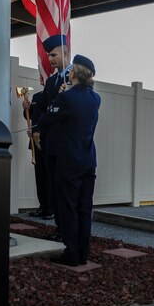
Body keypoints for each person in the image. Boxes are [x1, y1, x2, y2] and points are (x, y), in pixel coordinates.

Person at [39, 54, 101, 266]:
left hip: (68, 161)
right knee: (84, 208)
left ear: (73, 73)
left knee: (68, 208)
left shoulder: (66, 97)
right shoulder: (96, 98)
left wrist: (59, 96)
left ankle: (71, 253)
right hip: (88, 160)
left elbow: (46, 119)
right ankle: (82, 253)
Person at [33, 34, 71, 237]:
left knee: (65, 191)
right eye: (49, 56)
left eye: (54, 54)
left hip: (66, 143)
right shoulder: (52, 81)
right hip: (50, 142)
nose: (51, 59)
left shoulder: (75, 76)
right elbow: (39, 107)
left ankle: (66, 230)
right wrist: (37, 129)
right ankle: (59, 228)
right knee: (55, 189)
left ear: (66, 52)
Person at [23, 76, 54, 220]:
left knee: (49, 175)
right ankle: (42, 206)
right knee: (40, 176)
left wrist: (40, 131)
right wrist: (26, 108)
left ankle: (51, 208)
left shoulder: (54, 96)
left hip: (47, 140)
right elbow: (31, 116)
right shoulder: (37, 96)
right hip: (35, 142)